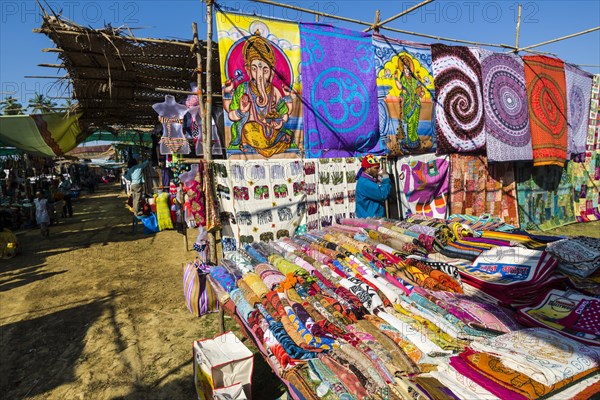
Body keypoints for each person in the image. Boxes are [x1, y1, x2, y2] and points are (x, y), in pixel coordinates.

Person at [355, 154, 392, 219]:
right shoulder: (365, 183)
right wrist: (385, 177)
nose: (378, 170)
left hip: (372, 217)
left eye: (379, 167)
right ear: (367, 168)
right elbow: (382, 194)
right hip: (370, 219)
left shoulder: (368, 180)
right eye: (376, 168)